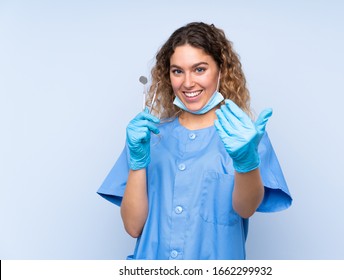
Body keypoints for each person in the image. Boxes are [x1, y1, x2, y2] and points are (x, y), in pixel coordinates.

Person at [97, 22, 292, 260]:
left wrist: (246, 162)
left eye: (199, 69)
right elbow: (133, 227)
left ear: (221, 70)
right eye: (177, 71)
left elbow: (245, 208)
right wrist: (137, 162)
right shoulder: (147, 138)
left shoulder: (245, 137)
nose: (187, 83)